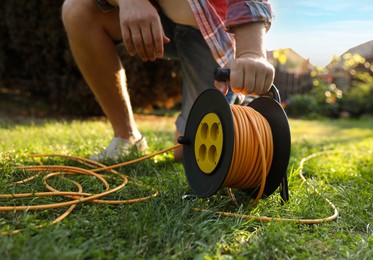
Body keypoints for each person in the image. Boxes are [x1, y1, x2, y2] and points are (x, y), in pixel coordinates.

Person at [61, 0, 275, 161]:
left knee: (187, 152)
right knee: (77, 9)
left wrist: (251, 53)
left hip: (209, 32)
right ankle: (127, 137)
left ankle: (239, 110)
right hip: (154, 13)